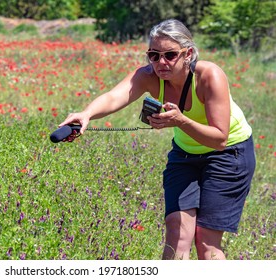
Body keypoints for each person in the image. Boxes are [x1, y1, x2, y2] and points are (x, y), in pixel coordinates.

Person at [58, 19, 256, 260]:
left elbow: (220, 139)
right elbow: (113, 97)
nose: (161, 62)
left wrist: (181, 121)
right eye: (153, 55)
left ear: (188, 54)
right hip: (185, 154)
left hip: (229, 154)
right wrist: (86, 113)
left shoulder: (208, 75)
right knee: (177, 232)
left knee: (206, 241)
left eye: (170, 55)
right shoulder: (149, 76)